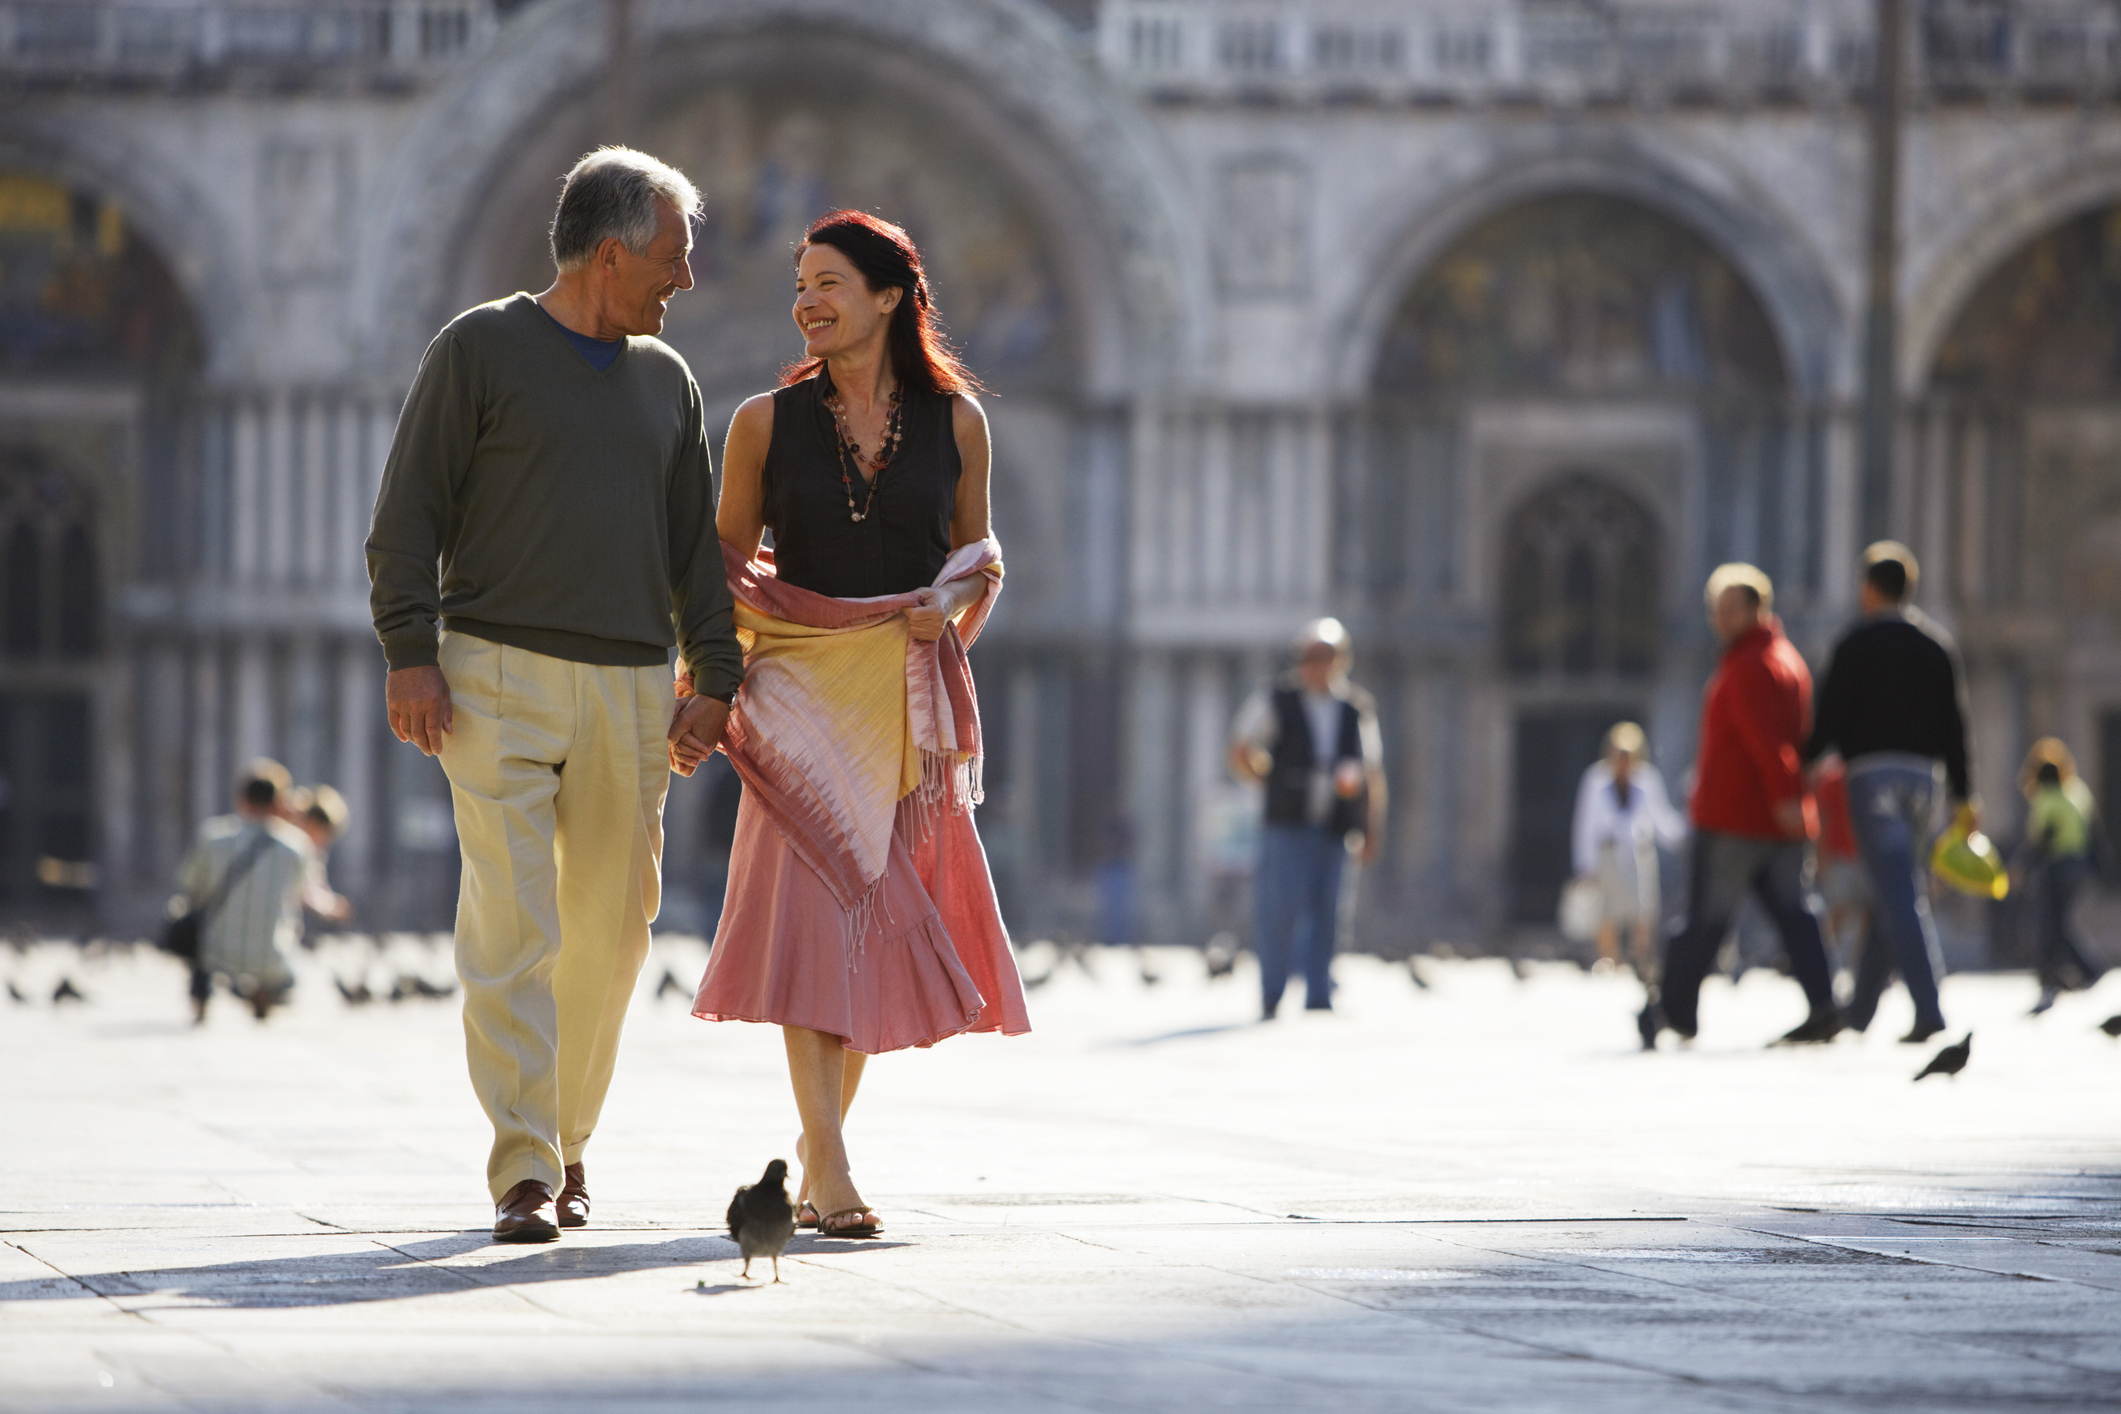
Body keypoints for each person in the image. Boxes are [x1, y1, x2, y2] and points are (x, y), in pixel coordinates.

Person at [366, 148, 744, 1244]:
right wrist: (410, 649)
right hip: (493, 674)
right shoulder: (477, 349)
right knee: (513, 920)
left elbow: (691, 553)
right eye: (672, 259)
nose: (684, 281)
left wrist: (712, 674)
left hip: (631, 683)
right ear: (611, 253)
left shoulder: (669, 382)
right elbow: (407, 519)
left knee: (615, 933)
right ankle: (525, 1168)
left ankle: (571, 1138)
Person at [691, 210, 1029, 1240]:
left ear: (890, 296)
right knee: (810, 923)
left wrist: (953, 613)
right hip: (794, 684)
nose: (809, 301)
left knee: (871, 929)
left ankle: (819, 1137)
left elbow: (981, 562)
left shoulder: (960, 421)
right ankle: (829, 1160)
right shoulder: (761, 421)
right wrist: (710, 677)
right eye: (801, 284)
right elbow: (720, 566)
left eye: (830, 282)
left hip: (903, 696)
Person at [1645, 564, 1841, 1048]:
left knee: (1704, 920)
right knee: (1794, 914)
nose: (1720, 619)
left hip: (1737, 818)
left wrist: (1785, 800)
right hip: (1771, 818)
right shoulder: (1781, 658)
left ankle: (1669, 1013)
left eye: (1731, 609)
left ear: (1758, 609)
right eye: (1717, 609)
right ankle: (1822, 1005)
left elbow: (1768, 744)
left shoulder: (1753, 665)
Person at [1803, 542, 1972, 1044]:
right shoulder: (1936, 646)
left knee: (1900, 891)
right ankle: (1859, 1012)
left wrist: (1805, 763)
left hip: (1872, 777)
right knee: (1891, 888)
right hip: (1925, 781)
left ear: (1868, 589)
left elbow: (1828, 717)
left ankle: (1929, 1006)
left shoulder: (1854, 644)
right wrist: (1966, 795)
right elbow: (1955, 727)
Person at [1227, 618, 1388, 1020]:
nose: (1318, 666)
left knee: (1329, 912)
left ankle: (1319, 994)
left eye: (1326, 657)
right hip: (1287, 823)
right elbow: (1242, 747)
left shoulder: (1356, 709)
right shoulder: (1277, 700)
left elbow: (1371, 774)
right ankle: (1272, 992)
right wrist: (1268, 779)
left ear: (1342, 661)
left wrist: (1371, 827)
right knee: (1278, 909)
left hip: (1335, 825)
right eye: (1310, 657)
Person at [176, 759, 315, 1024]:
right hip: (271, 954)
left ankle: (201, 993)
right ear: (278, 803)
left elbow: (192, 886)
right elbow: (296, 897)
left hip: (215, 950)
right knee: (283, 932)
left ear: (242, 800)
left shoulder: (214, 836)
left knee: (197, 930)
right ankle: (265, 990)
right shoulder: (297, 846)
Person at [1569, 722, 1684, 977]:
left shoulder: (1647, 779)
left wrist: (1687, 834)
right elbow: (1584, 823)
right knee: (1606, 913)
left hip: (1638, 854)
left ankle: (1639, 960)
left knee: (1643, 911)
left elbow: (1661, 819)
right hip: (1607, 855)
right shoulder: (1595, 779)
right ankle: (1609, 960)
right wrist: (1584, 865)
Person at [2018, 739, 2105, 1015]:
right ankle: (2081, 971)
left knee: (2049, 925)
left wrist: (2021, 867)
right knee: (2061, 924)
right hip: (2079, 868)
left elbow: (2042, 840)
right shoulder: (2077, 793)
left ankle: (2062, 978)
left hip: (2058, 868)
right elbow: (2094, 832)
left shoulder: (2047, 800)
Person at [283, 785, 353, 926]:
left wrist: (331, 903)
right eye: (323, 833)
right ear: (312, 822)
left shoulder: (311, 849)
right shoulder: (289, 843)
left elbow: (315, 882)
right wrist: (330, 906)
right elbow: (307, 891)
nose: (323, 841)